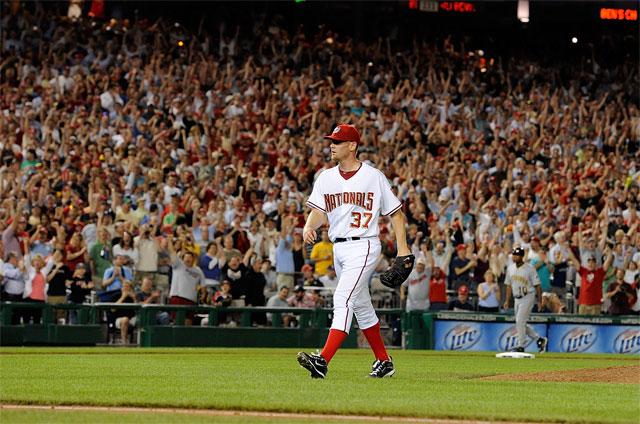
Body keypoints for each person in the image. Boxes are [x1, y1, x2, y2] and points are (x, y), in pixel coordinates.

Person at [297, 123, 410, 379]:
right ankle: (384, 361)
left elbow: (396, 213)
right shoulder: (325, 177)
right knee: (360, 305)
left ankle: (323, 360)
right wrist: (308, 226)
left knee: (342, 299)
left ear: (352, 145)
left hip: (364, 244)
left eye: (337, 142)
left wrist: (402, 249)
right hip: (338, 248)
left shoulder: (373, 176)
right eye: (331, 141)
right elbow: (319, 211)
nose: (332, 145)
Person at [502, 247, 547, 353]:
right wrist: (507, 300)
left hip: (528, 296)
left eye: (517, 255)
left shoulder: (530, 268)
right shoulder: (510, 268)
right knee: (521, 323)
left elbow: (538, 286)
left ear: (522, 256)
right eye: (514, 255)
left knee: (520, 321)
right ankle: (539, 340)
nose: (514, 257)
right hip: (516, 298)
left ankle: (521, 346)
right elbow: (508, 285)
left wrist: (539, 301)